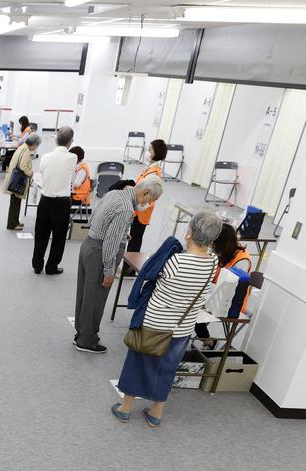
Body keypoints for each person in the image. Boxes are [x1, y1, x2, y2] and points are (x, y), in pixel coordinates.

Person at [112, 211, 222, 427]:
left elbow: (150, 274)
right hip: (182, 326)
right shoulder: (213, 263)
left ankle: (125, 408)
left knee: (138, 363)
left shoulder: (175, 262)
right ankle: (155, 413)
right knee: (167, 367)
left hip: (154, 322)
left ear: (189, 233)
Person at [73, 176, 164, 352]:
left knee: (85, 295)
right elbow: (110, 243)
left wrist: (122, 233)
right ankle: (87, 341)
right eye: (152, 200)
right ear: (145, 193)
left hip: (88, 246)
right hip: (100, 253)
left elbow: (95, 218)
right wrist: (109, 271)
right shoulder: (126, 209)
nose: (149, 204)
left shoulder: (115, 193)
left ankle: (81, 333)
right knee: (96, 299)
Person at [195, 223, 253, 348]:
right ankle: (206, 339)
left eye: (215, 243)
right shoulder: (222, 253)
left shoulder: (242, 260)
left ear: (223, 243)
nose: (212, 246)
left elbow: (232, 289)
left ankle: (208, 341)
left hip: (231, 303)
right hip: (214, 294)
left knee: (192, 310)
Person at [33, 126, 78, 275]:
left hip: (45, 201)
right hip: (62, 204)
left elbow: (43, 174)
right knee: (58, 238)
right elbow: (72, 180)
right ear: (70, 142)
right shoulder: (72, 158)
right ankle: (52, 266)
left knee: (41, 234)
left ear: (56, 139)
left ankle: (37, 265)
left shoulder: (45, 157)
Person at [127, 139, 167, 253]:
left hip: (142, 209)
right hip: (138, 207)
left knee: (134, 241)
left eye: (149, 150)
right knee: (133, 240)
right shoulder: (150, 167)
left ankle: (128, 270)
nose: (147, 152)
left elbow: (145, 191)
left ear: (156, 152)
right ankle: (127, 268)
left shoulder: (154, 171)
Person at [3, 131, 41, 231]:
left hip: (13, 179)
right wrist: (31, 173)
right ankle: (12, 224)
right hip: (18, 181)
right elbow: (23, 166)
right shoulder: (27, 151)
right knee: (15, 203)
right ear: (34, 144)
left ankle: (15, 222)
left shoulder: (22, 147)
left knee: (15, 202)